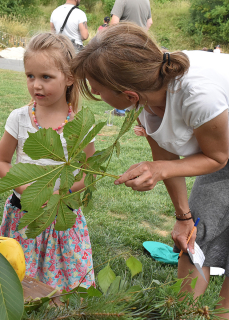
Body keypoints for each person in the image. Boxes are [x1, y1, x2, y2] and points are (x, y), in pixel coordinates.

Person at [72, 22, 229, 317]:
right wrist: (183, 217)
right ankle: (179, 312)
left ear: (129, 95)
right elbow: (166, 157)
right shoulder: (145, 97)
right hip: (219, 145)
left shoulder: (197, 95)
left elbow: (219, 157)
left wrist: (159, 168)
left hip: (221, 147)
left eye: (98, 87)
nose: (94, 91)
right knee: (197, 229)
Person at [0, 33, 95, 292]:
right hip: (23, 215)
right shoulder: (19, 118)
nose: (36, 85)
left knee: (62, 291)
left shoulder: (80, 124)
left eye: (46, 77)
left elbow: (88, 174)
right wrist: (28, 191)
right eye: (30, 76)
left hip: (62, 217)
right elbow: (2, 161)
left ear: (70, 78)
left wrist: (58, 195)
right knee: (18, 283)